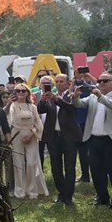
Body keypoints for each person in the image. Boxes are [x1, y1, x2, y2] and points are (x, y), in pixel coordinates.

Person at [73, 73, 112, 210]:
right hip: (94, 139)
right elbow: (78, 104)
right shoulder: (93, 96)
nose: (101, 83)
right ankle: (102, 197)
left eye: (105, 81)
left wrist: (101, 96)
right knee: (96, 170)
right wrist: (75, 96)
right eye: (99, 81)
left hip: (111, 141)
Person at [37, 74, 82, 206]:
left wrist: (56, 99)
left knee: (69, 167)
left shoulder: (72, 96)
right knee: (55, 168)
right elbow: (40, 110)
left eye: (61, 81)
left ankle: (68, 195)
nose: (58, 84)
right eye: (56, 81)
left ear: (68, 83)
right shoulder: (50, 96)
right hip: (53, 137)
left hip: (69, 137)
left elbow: (70, 108)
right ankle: (61, 192)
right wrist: (43, 100)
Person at [5, 83, 46, 199]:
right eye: (18, 91)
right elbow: (7, 117)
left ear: (28, 93)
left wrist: (32, 134)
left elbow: (38, 123)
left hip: (30, 135)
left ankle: (32, 190)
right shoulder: (12, 105)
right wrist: (9, 103)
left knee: (32, 163)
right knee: (18, 164)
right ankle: (20, 191)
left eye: (23, 91)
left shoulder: (33, 107)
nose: (21, 93)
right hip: (16, 135)